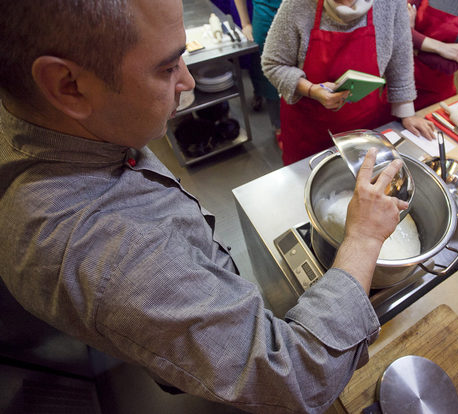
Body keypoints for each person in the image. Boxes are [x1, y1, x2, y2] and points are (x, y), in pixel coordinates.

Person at [0, 0, 410, 413]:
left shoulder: (70, 124)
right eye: (166, 68)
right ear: (68, 85)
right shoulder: (110, 251)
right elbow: (299, 377)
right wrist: (363, 236)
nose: (188, 81)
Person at [262, 0, 436, 166]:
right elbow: (273, 64)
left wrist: (406, 112)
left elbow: (400, 56)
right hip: (309, 130)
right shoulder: (297, 5)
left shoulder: (389, 4)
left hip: (365, 126)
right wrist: (311, 89)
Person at [233, 0, 283, 144]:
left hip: (300, 14)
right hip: (265, 16)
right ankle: (278, 125)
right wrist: (245, 24)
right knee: (269, 76)